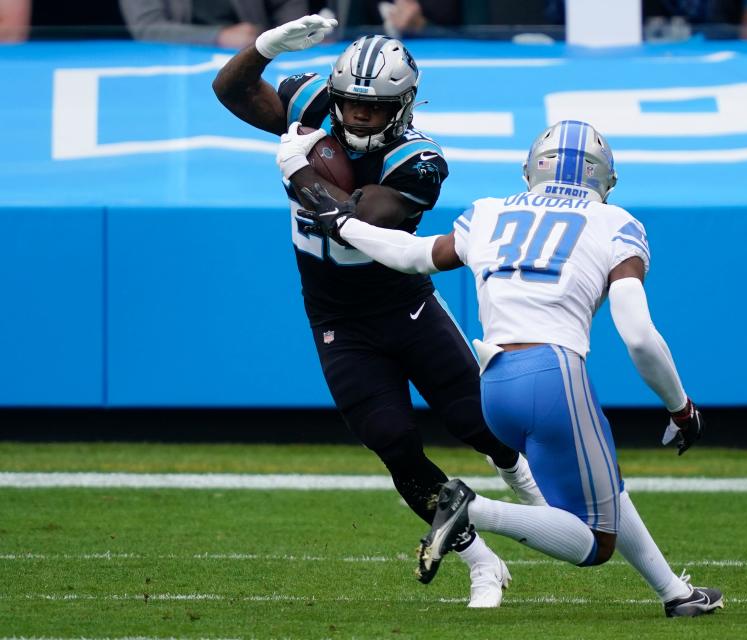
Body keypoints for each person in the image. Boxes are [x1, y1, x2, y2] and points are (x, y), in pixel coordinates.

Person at [292, 120, 724, 617]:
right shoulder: (617, 224)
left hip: (494, 381)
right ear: (606, 178)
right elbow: (640, 336)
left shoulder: (489, 212)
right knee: (595, 542)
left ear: (530, 171)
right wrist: (681, 407)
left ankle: (676, 594)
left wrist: (342, 224)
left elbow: (412, 255)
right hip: (555, 375)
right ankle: (470, 509)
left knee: (604, 484)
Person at [212, 15, 544, 608]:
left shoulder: (421, 161)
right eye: (351, 104)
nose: (359, 116)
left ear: (405, 104)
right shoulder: (315, 101)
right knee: (390, 440)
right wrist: (263, 49)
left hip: (403, 303)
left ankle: (531, 496)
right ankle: (480, 561)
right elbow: (230, 91)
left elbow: (358, 221)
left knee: (477, 423)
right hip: (336, 316)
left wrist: (302, 178)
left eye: (375, 107)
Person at [121, 0, 308, 47]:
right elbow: (146, 27)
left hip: (260, 53)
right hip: (178, 59)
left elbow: (286, 3)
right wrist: (219, 36)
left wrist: (295, 32)